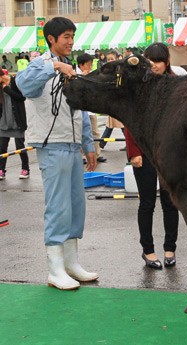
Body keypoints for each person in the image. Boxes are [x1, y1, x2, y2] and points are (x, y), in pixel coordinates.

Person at [16, 17, 98, 290]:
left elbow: (81, 111)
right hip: (52, 146)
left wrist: (89, 145)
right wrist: (54, 65)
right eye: (66, 36)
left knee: (76, 206)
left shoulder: (72, 68)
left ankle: (71, 263)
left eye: (73, 36)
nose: (71, 41)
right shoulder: (39, 64)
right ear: (51, 39)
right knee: (59, 207)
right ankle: (54, 269)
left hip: (73, 147)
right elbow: (23, 85)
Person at [126, 43, 181, 269]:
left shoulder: (176, 85)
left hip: (170, 154)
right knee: (147, 202)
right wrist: (134, 152)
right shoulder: (138, 86)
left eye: (158, 61)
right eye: (149, 61)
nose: (154, 65)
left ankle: (170, 248)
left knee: (171, 203)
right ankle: (148, 250)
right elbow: (129, 121)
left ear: (167, 61)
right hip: (145, 152)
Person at [76, 53, 106, 163]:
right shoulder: (74, 75)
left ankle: (97, 154)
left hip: (91, 110)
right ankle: (83, 156)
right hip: (80, 111)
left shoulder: (91, 74)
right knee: (81, 133)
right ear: (81, 65)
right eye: (89, 64)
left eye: (91, 64)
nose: (91, 67)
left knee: (95, 132)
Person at [0, 69, 29, 180]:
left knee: (20, 147)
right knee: (2, 147)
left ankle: (25, 169)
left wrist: (7, 89)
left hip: (17, 121)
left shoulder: (15, 82)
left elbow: (22, 97)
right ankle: (1, 170)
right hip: (4, 121)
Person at [99, 51, 125, 150]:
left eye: (111, 59)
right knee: (111, 124)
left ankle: (102, 143)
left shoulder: (120, 71)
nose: (110, 61)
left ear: (116, 58)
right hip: (112, 101)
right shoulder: (106, 71)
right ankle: (102, 143)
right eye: (108, 59)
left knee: (121, 124)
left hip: (119, 101)